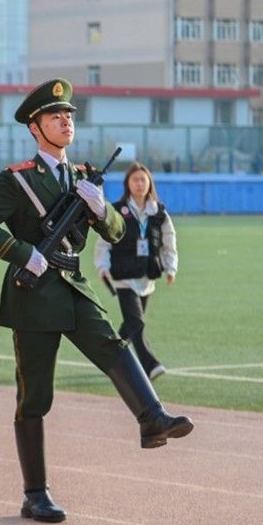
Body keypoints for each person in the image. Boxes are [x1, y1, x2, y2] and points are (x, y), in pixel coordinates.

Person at [0, 78, 194, 524]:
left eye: (68, 114)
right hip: (33, 291)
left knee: (114, 346)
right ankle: (35, 493)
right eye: (55, 116)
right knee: (35, 395)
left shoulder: (84, 177)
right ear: (35, 127)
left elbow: (117, 233)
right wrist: (22, 253)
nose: (65, 120)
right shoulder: (18, 180)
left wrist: (102, 209)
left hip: (71, 282)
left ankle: (152, 418)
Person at [94, 162, 178, 382]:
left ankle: (108, 359)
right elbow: (104, 242)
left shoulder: (159, 213)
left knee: (129, 326)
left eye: (143, 179)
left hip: (147, 276)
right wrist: (102, 266)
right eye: (135, 180)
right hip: (123, 277)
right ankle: (150, 365)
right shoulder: (116, 211)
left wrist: (171, 267)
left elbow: (169, 242)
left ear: (149, 183)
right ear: (127, 184)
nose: (139, 183)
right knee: (137, 323)